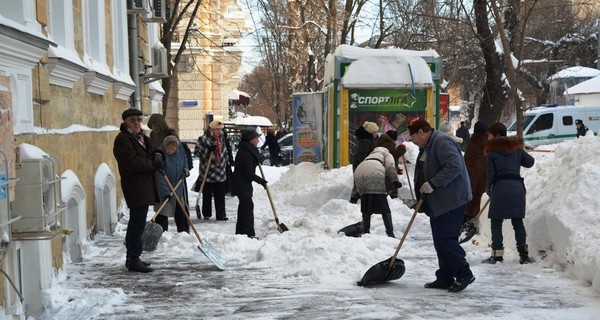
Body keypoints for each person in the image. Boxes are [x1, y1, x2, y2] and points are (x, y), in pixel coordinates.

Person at [409, 119, 475, 292]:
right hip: (438, 201)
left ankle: (464, 273)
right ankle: (445, 277)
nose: (413, 141)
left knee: (446, 238)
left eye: (414, 137)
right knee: (439, 240)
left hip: (451, 200)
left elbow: (454, 166)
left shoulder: (442, 142)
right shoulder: (428, 146)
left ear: (421, 132)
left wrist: (433, 183)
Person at [113, 108, 162, 273]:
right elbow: (133, 162)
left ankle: (134, 257)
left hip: (145, 185)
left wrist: (158, 156)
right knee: (136, 223)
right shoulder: (123, 140)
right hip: (135, 185)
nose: (136, 123)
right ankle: (133, 259)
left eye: (138, 120)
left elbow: (155, 149)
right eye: (132, 120)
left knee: (139, 223)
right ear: (125, 122)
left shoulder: (142, 137)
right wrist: (152, 164)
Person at [483, 122, 535, 264]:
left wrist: (489, 190)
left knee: (496, 222)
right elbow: (530, 162)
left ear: (497, 135)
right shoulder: (516, 148)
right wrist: (520, 151)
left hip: (500, 189)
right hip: (517, 188)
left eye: (490, 135)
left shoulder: (492, 152)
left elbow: (490, 175)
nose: (488, 138)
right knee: (517, 221)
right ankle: (524, 255)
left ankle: (497, 255)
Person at [353, 147, 401, 237]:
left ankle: (366, 232)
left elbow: (363, 169)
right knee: (384, 207)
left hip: (359, 171)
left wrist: (355, 194)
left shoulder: (370, 155)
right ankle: (390, 233)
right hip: (374, 173)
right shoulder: (387, 154)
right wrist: (395, 181)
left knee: (366, 203)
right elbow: (390, 165)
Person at [232, 129, 268, 238]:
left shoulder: (248, 149)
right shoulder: (245, 153)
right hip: (241, 183)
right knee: (247, 208)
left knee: (244, 207)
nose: (258, 140)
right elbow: (248, 173)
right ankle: (248, 234)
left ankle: (241, 233)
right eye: (256, 138)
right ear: (250, 140)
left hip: (242, 183)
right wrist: (261, 181)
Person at [153, 135, 190, 234]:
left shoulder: (180, 151)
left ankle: (183, 233)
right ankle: (161, 234)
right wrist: (165, 192)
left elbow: (185, 160)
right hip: (164, 189)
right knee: (162, 213)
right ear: (165, 146)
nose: (170, 150)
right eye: (169, 148)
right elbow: (159, 176)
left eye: (173, 149)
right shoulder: (160, 155)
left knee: (180, 211)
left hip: (178, 187)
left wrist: (186, 169)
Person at [196, 120, 230, 221]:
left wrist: (227, 162)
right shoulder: (203, 139)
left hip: (220, 172)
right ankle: (206, 213)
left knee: (220, 195)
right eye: (216, 130)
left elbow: (224, 152)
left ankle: (221, 214)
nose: (218, 132)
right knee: (207, 195)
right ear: (211, 130)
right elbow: (197, 153)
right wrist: (208, 150)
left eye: (220, 130)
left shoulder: (221, 139)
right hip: (207, 172)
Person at [463, 121, 489, 222]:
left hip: (468, 175)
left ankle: (467, 216)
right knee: (478, 196)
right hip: (480, 175)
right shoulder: (486, 142)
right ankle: (473, 218)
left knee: (470, 196)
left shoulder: (472, 141)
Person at [349, 121, 379, 203]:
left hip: (362, 166)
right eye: (375, 131)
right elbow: (362, 155)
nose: (377, 133)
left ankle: (360, 201)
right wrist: (369, 164)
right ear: (371, 132)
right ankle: (355, 202)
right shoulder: (365, 141)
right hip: (361, 166)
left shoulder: (368, 140)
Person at [375, 130, 406, 199]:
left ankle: (391, 196)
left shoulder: (383, 142)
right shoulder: (387, 144)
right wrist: (401, 149)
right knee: (389, 183)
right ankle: (391, 197)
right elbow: (394, 154)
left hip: (385, 168)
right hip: (387, 169)